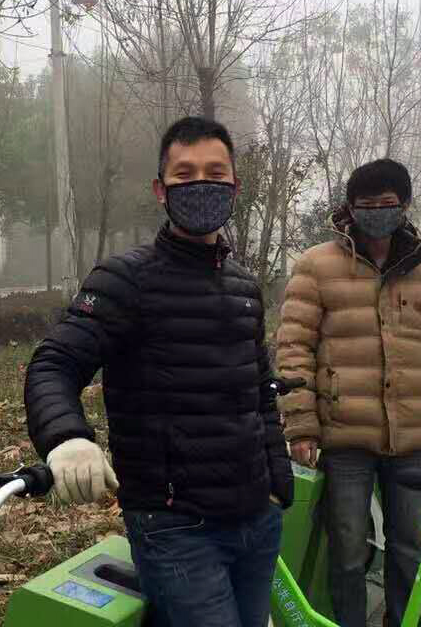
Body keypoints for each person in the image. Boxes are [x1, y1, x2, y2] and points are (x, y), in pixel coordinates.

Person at [24, 116, 293, 627]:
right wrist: (66, 437)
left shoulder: (244, 287)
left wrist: (277, 482)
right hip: (177, 528)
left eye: (215, 173)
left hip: (257, 520)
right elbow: (54, 363)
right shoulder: (124, 279)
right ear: (160, 190)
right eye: (184, 174)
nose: (201, 185)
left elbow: (259, 392)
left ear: (235, 187)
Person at [276, 158, 421, 627]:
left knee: (407, 546)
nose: (378, 212)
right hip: (345, 438)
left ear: (405, 205)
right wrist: (301, 425)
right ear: (350, 208)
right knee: (347, 548)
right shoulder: (316, 265)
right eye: (368, 204)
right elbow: (294, 349)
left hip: (411, 437)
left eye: (388, 203)